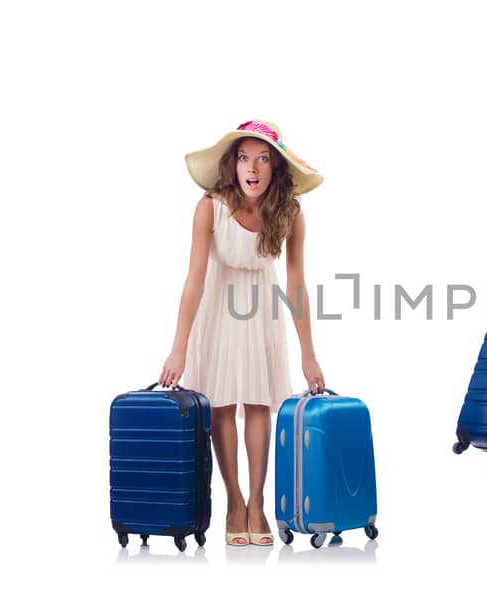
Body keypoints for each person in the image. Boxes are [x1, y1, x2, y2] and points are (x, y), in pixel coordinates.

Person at [160, 120, 327, 547]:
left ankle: (257, 502)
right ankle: (233, 501)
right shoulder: (209, 208)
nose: (252, 168)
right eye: (243, 158)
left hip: (260, 310)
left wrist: (309, 355)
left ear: (276, 168)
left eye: (262, 159)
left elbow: (296, 286)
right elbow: (194, 279)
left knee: (257, 404)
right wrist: (178, 349)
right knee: (219, 406)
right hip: (216, 307)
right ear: (233, 165)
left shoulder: (290, 213)